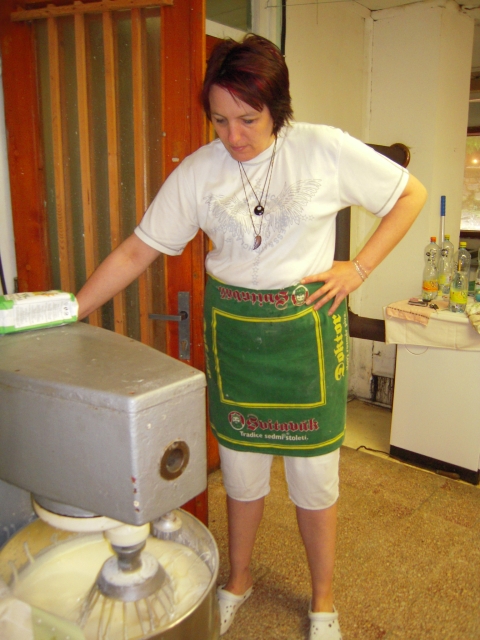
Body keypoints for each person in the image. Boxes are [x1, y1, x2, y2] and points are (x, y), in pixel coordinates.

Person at [76, 34, 427, 640]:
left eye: (248, 119)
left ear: (277, 108)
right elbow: (137, 250)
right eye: (220, 120)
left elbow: (409, 194)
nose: (234, 136)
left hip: (305, 337)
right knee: (239, 473)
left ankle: (323, 601)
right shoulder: (199, 170)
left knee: (314, 481)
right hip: (237, 338)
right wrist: (70, 308)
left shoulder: (321, 149)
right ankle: (238, 580)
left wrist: (359, 268)